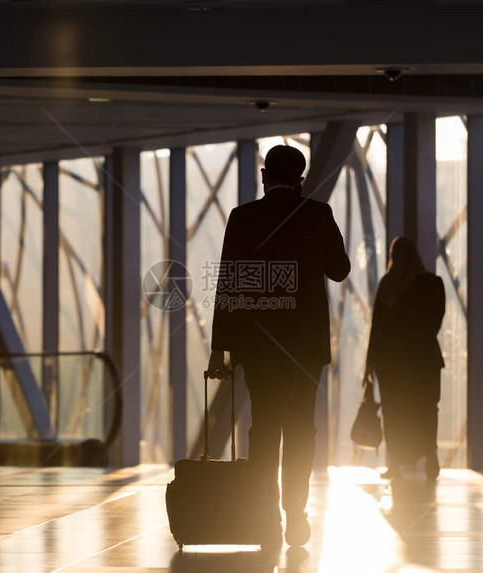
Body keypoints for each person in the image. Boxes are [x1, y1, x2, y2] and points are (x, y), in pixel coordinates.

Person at [207, 144, 350, 547]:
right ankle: (296, 513)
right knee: (302, 429)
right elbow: (339, 270)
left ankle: (266, 512)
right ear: (301, 181)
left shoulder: (243, 217)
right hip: (305, 348)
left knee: (264, 427)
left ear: (264, 176)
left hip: (259, 347)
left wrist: (220, 348)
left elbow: (228, 285)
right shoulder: (317, 214)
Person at [364, 236, 445, 482]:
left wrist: (370, 363)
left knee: (393, 410)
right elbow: (436, 320)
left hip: (392, 363)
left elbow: (377, 327)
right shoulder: (432, 283)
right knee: (427, 408)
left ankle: (395, 462)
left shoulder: (388, 285)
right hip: (424, 360)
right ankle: (430, 456)